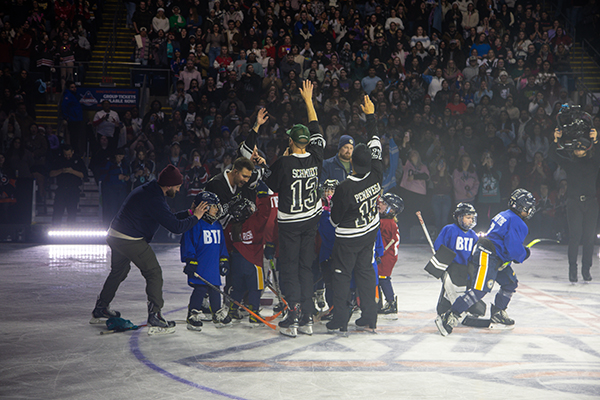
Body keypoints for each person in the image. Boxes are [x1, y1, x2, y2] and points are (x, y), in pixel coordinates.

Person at [91, 165, 206, 335]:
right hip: (129, 239)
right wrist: (196, 217)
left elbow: (169, 218)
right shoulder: (154, 199)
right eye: (177, 186)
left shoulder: (151, 190)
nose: (179, 189)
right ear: (169, 185)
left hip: (115, 235)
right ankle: (155, 316)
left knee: (119, 271)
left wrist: (189, 212)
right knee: (153, 273)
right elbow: (175, 227)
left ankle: (100, 308)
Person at [265, 80, 326, 337]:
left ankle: (293, 316)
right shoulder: (317, 155)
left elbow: (270, 186)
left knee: (288, 268)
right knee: (305, 266)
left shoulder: (284, 162)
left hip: (290, 223)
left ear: (291, 141)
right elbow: (316, 127)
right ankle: (308, 318)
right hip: (311, 220)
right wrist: (310, 101)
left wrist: (264, 164)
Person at [435, 189, 536, 336]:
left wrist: (516, 252)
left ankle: (498, 313)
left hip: (494, 256)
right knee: (480, 290)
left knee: (510, 282)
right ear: (522, 207)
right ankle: (450, 315)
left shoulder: (504, 214)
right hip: (488, 256)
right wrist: (524, 253)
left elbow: (503, 241)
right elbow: (513, 249)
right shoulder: (518, 222)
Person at [326, 95, 383, 335]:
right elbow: (376, 142)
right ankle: (370, 318)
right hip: (369, 233)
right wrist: (370, 116)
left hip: (349, 239)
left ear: (353, 165)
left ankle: (340, 320)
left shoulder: (345, 187)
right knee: (366, 274)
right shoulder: (377, 173)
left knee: (340, 276)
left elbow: (335, 219)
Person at [548, 105, 599, 283]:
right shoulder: (571, 163)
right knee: (575, 236)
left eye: (580, 149)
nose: (577, 151)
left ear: (587, 149)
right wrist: (556, 139)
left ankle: (586, 269)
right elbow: (553, 155)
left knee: (589, 238)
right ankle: (572, 270)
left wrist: (596, 138)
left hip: (591, 203)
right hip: (574, 202)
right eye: (576, 149)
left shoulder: (593, 163)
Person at [181, 191, 232, 331]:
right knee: (200, 289)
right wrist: (190, 260)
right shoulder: (194, 224)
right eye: (214, 206)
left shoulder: (217, 225)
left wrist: (223, 259)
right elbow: (188, 243)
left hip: (212, 266)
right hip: (200, 266)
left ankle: (217, 313)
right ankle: (193, 314)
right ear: (204, 207)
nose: (217, 209)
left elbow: (221, 245)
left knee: (215, 288)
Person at [225, 184, 272, 324]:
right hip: (253, 262)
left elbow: (227, 245)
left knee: (237, 288)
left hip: (236, 262)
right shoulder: (253, 222)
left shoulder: (230, 226)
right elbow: (265, 212)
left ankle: (233, 310)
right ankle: (254, 313)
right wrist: (263, 195)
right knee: (255, 288)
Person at [432, 203, 483, 318]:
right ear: (459, 217)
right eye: (467, 217)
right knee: (449, 289)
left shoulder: (473, 235)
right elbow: (439, 246)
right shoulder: (449, 229)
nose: (470, 221)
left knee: (465, 289)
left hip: (466, 268)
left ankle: (468, 308)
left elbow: (475, 254)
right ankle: (443, 310)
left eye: (472, 218)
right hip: (452, 267)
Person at [377, 193, 403, 316]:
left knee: (383, 279)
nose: (380, 204)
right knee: (380, 278)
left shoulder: (386, 223)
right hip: (386, 254)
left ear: (391, 209)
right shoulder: (386, 220)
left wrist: (379, 254)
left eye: (384, 203)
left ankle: (391, 302)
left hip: (387, 256)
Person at [49, 145, 86, 224]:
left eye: (69, 154)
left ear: (72, 152)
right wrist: (61, 170)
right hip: (61, 189)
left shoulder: (78, 160)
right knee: (57, 212)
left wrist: (72, 171)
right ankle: (56, 229)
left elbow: (83, 175)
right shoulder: (59, 160)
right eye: (65, 154)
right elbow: (51, 173)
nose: (67, 156)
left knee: (72, 212)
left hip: (73, 190)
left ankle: (71, 229)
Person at [61, 81, 85, 156]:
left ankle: (76, 151)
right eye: (72, 87)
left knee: (77, 137)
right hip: (73, 120)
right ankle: (74, 152)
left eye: (74, 87)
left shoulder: (74, 95)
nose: (74, 88)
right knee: (74, 137)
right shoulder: (68, 95)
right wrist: (66, 117)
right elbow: (64, 106)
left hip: (77, 119)